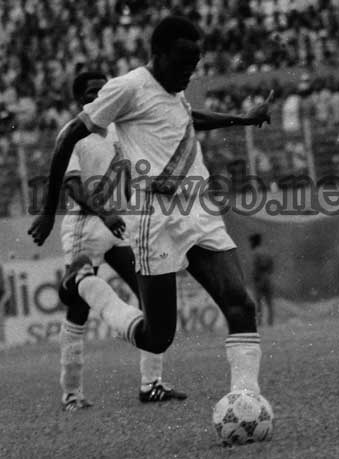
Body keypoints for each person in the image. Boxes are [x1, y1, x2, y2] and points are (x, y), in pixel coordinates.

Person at [29, 16, 273, 402]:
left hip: (199, 209)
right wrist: (46, 211)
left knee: (240, 304)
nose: (188, 74)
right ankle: (101, 298)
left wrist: (243, 119)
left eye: (194, 66)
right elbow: (67, 140)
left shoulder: (174, 90)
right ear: (157, 55)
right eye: (182, 64)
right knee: (158, 337)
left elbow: (188, 120)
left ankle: (246, 399)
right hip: (153, 219)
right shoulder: (126, 88)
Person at [58, 71, 186, 411]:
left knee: (149, 296)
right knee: (78, 309)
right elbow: (71, 187)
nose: (96, 96)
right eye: (89, 93)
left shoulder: (118, 129)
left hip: (119, 225)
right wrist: (105, 214)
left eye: (101, 91)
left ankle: (151, 384)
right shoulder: (73, 134)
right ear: (78, 100)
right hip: (86, 227)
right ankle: (72, 393)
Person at [249, 234, 274, 327]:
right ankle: (270, 322)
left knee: (258, 302)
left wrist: (255, 278)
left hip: (259, 279)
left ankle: (259, 323)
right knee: (269, 302)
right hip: (267, 278)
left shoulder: (255, 252)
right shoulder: (266, 251)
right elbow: (272, 265)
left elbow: (254, 268)